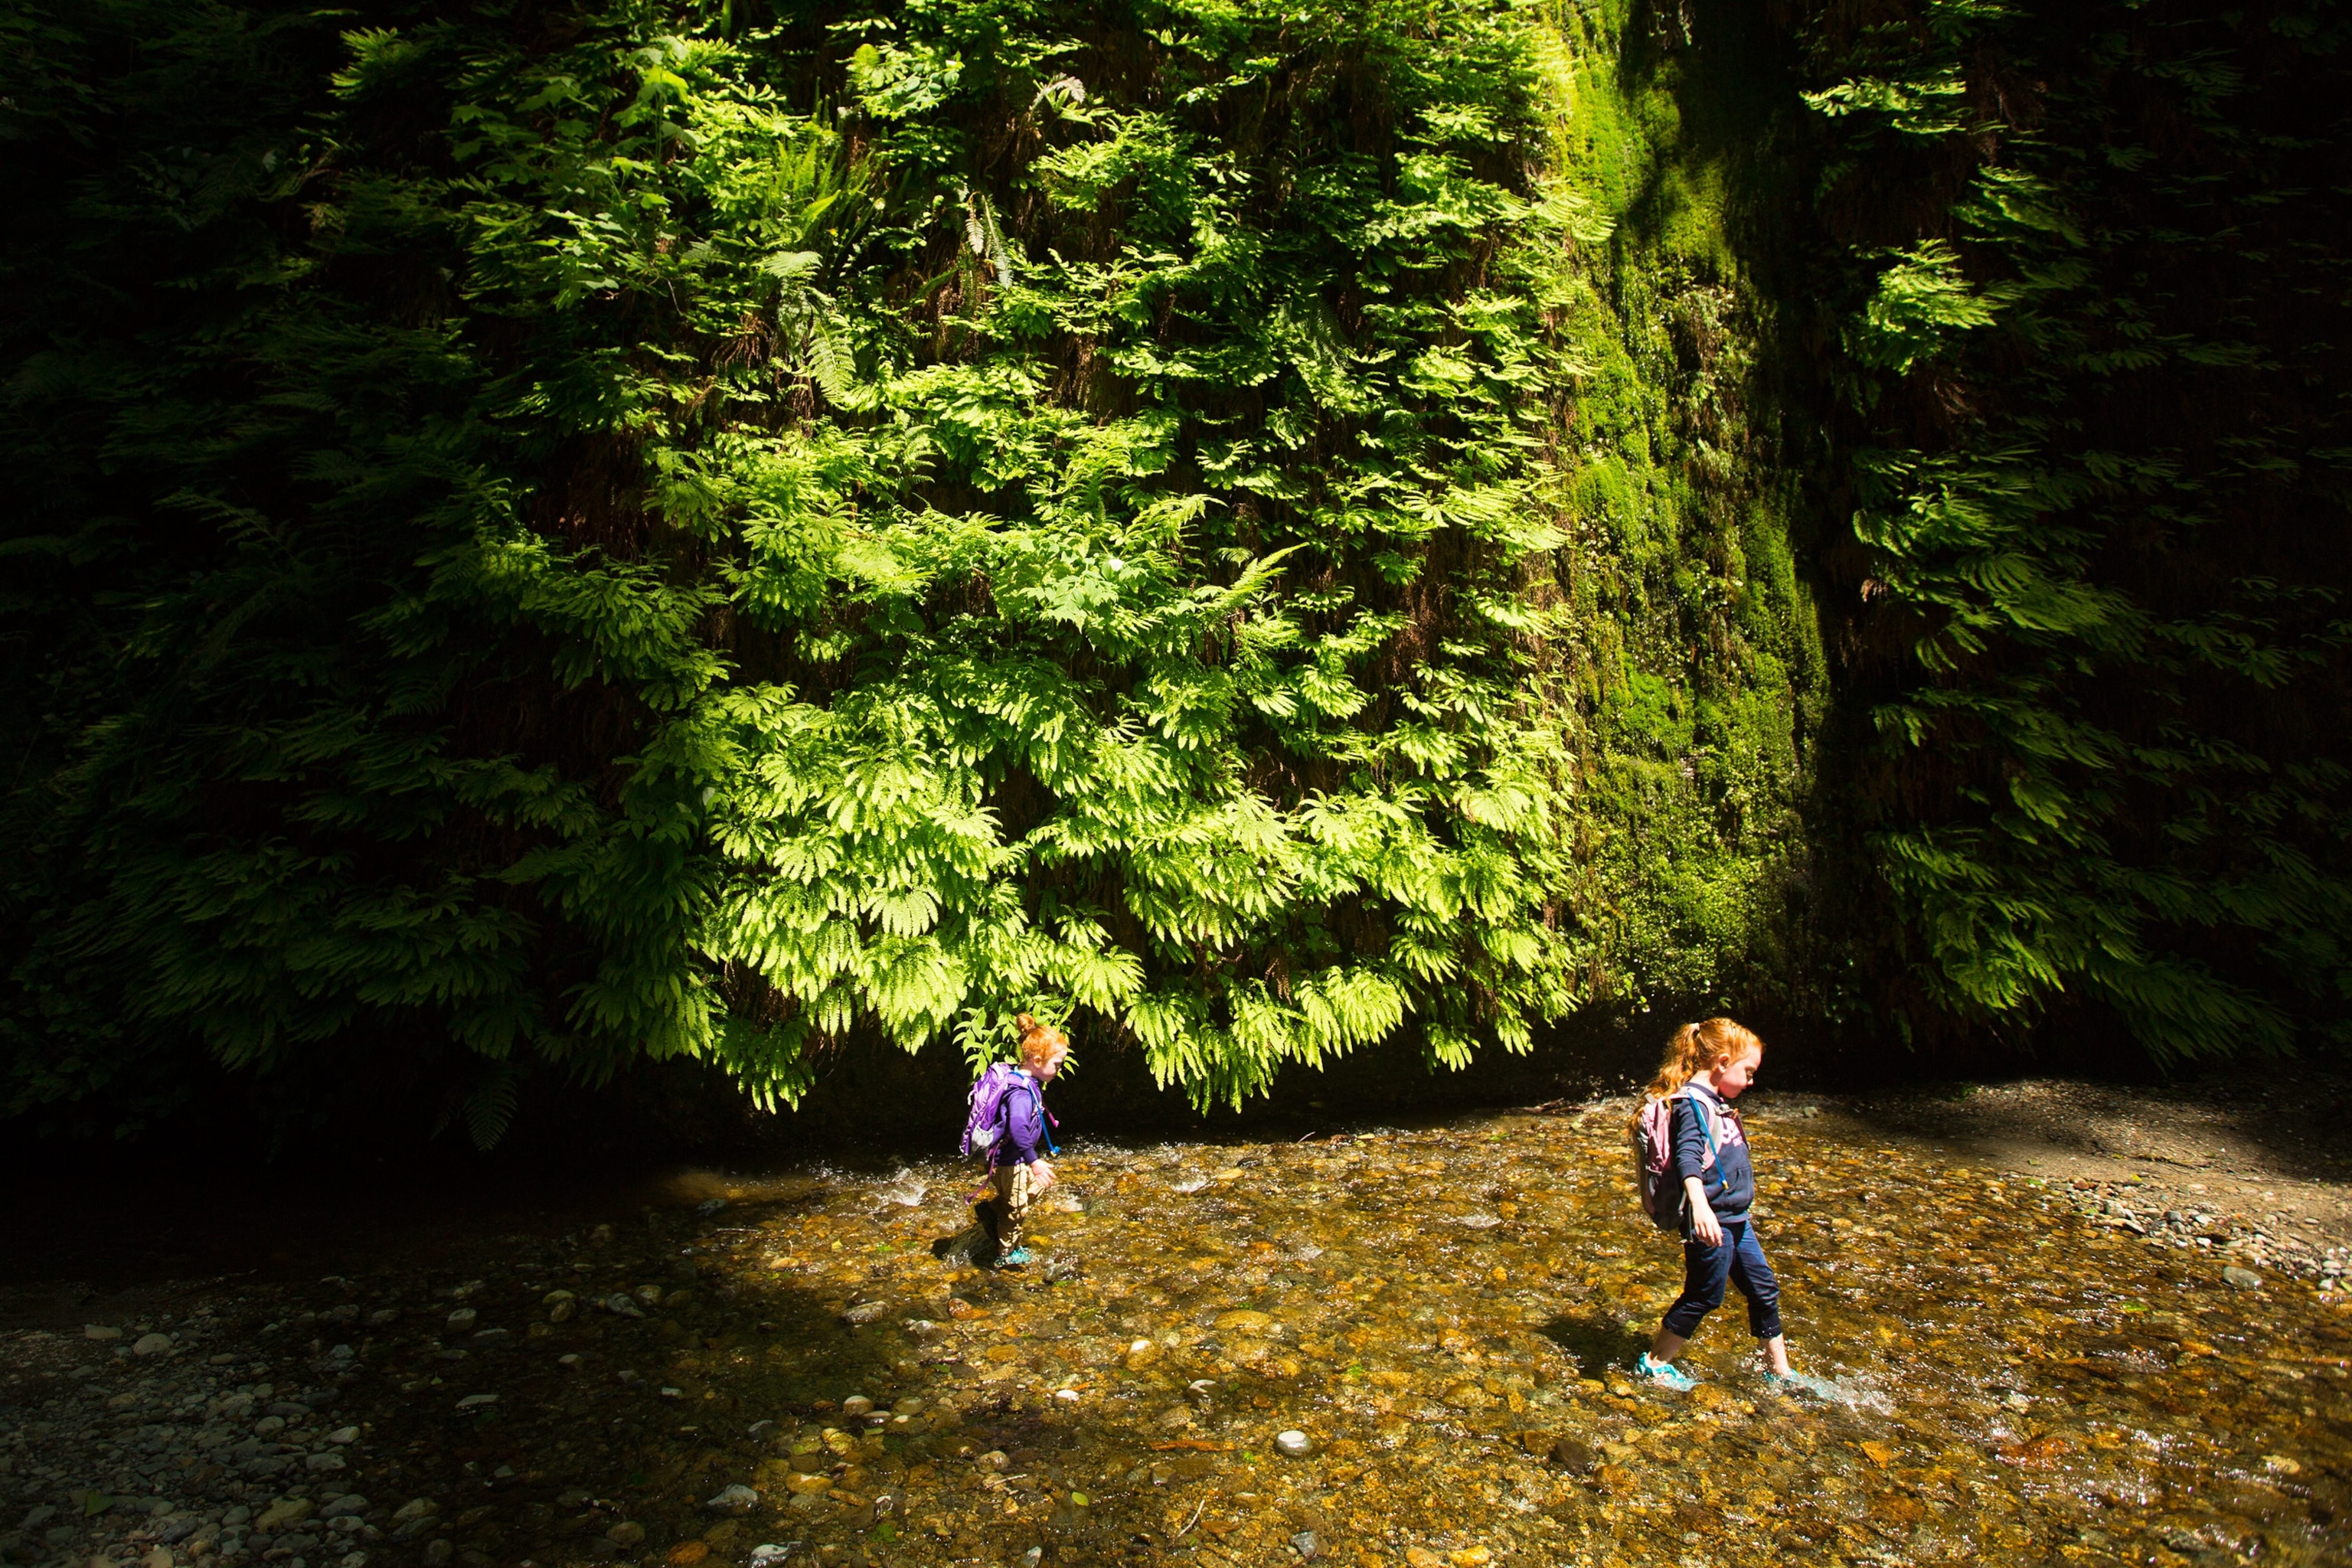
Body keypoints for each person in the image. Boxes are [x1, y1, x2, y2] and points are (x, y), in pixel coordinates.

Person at [1632, 1018, 1795, 1390]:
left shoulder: (1714, 1100)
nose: (1752, 1081)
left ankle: (1780, 1372)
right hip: (1712, 1220)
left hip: (1735, 1217)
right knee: (1705, 1295)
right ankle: (1655, 1363)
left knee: (1763, 1288)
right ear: (1722, 1062)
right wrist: (1700, 1206)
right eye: (1748, 1071)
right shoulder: (1693, 1105)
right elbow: (1689, 1158)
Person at [969, 1014, 1067, 1269]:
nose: (1059, 1070)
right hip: (1011, 1160)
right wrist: (1034, 1161)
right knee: (1016, 1210)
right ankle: (1007, 1253)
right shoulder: (1020, 1093)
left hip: (1018, 1157)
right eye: (1057, 1064)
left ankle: (991, 1211)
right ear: (1036, 1061)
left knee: (1039, 1185)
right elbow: (1018, 1128)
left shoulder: (1027, 1079)